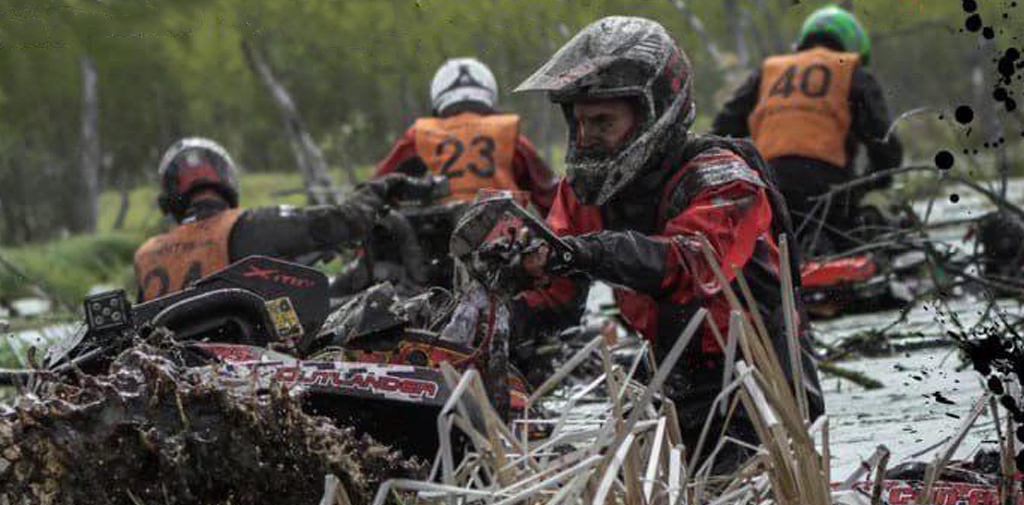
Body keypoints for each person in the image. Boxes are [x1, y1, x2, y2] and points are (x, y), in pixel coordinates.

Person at [510, 16, 823, 473]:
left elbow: (689, 265)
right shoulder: (587, 192)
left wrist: (587, 252)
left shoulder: (725, 179)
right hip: (673, 383)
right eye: (579, 122)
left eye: (602, 121)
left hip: (760, 393)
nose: (586, 137)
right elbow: (554, 295)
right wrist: (504, 300)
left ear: (653, 111)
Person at [133, 137, 433, 302]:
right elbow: (345, 221)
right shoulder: (247, 226)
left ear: (169, 196)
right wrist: (382, 186)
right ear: (227, 180)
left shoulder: (146, 254)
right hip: (244, 375)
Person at [711, 5, 903, 253]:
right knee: (876, 237)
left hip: (768, 190)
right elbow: (887, 151)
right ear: (853, 44)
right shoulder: (852, 71)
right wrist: (863, 186)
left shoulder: (768, 70)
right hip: (830, 194)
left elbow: (721, 131)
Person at [374, 57, 557, 214]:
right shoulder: (508, 133)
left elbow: (375, 191)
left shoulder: (418, 135)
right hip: (504, 242)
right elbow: (551, 198)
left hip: (434, 242)